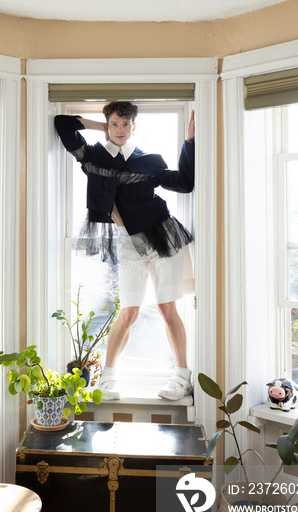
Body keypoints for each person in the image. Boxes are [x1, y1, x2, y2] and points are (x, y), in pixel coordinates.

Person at [54, 102, 195, 401]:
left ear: (134, 127)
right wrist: (98, 126)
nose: (120, 130)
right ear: (109, 125)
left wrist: (189, 143)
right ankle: (107, 380)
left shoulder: (149, 161)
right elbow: (62, 124)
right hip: (128, 242)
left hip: (162, 237)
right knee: (128, 311)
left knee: (166, 308)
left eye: (125, 124)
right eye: (115, 124)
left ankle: (182, 376)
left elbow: (185, 183)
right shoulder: (93, 158)